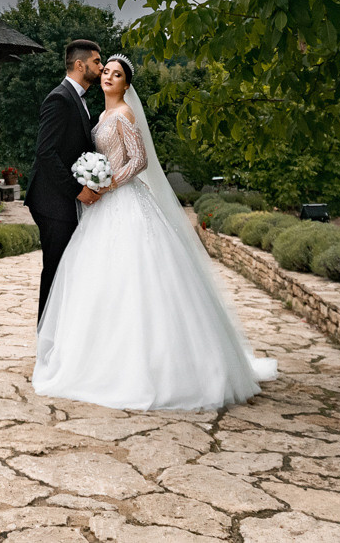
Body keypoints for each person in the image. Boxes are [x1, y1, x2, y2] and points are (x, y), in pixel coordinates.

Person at [33, 53, 278, 410]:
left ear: (126, 86)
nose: (108, 76)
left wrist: (108, 184)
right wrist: (92, 180)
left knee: (140, 275)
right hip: (103, 207)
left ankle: (157, 366)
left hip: (125, 201)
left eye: (116, 75)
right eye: (107, 72)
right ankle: (99, 356)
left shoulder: (125, 115)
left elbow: (140, 160)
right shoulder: (99, 115)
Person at [24, 39, 103, 320]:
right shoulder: (59, 97)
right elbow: (46, 153)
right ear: (80, 65)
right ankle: (46, 342)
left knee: (66, 270)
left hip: (62, 201)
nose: (102, 67)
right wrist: (77, 191)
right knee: (56, 271)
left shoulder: (79, 100)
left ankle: (58, 337)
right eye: (96, 62)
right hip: (52, 202)